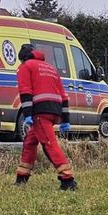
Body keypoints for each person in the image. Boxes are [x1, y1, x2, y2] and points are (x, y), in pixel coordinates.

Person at [14, 43, 78, 190]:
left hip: (40, 112)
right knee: (30, 141)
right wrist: (65, 119)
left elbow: (25, 91)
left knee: (49, 144)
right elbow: (63, 94)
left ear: (23, 58)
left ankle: (67, 179)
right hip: (55, 111)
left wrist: (28, 114)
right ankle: (21, 177)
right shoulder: (50, 68)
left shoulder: (26, 67)